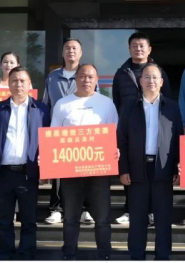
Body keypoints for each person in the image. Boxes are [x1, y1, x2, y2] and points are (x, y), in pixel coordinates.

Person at [51, 64, 118, 261]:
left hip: (99, 171)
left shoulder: (107, 103)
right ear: (75, 79)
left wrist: (115, 151)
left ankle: (104, 255)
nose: (86, 80)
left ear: (96, 80)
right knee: (70, 218)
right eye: (82, 76)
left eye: (90, 77)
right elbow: (54, 137)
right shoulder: (62, 104)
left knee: (102, 219)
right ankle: (69, 254)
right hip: (70, 172)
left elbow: (115, 134)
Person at [117, 61, 182, 261]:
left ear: (161, 82)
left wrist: (177, 168)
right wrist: (123, 168)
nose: (151, 81)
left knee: (163, 219)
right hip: (137, 169)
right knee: (137, 219)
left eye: (155, 77)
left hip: (163, 169)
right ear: (140, 81)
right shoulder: (130, 106)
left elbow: (178, 139)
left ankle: (162, 256)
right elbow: (122, 140)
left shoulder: (172, 107)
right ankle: (137, 256)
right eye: (147, 77)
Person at [0, 67, 49, 260]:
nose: (18, 84)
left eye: (22, 81)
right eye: (14, 80)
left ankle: (27, 255)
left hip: (28, 173)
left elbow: (47, 142)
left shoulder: (41, 110)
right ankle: (6, 254)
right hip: (3, 173)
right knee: (3, 219)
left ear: (30, 84)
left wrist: (45, 170)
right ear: (9, 84)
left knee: (29, 220)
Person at [41, 38, 86, 225]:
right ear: (62, 53)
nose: (71, 51)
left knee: (83, 173)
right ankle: (57, 209)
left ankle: (84, 209)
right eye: (67, 48)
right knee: (58, 173)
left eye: (75, 48)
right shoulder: (52, 77)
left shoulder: (86, 74)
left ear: (81, 53)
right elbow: (46, 104)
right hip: (58, 131)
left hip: (82, 132)